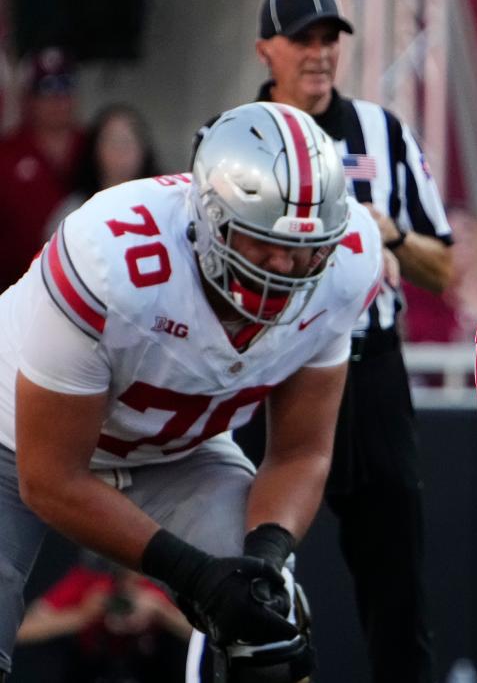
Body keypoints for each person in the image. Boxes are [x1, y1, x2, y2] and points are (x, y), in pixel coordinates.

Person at [0, 101, 383, 683]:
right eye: (262, 243)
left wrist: (263, 560)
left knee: (268, 632)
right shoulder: (110, 256)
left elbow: (301, 452)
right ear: (208, 220)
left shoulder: (347, 263)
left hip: (176, 452)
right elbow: (50, 478)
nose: (285, 266)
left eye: (304, 249)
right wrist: (198, 577)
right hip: (15, 437)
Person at [235, 0, 453, 682]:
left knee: (397, 580)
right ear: (266, 49)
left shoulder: (383, 132)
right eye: (303, 38)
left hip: (367, 367)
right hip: (269, 368)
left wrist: (387, 234)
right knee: (246, 568)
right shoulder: (233, 137)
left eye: (330, 39)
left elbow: (442, 266)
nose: (320, 53)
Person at [17, 554, 191, 682]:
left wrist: (160, 611)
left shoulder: (163, 587)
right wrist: (83, 615)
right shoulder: (89, 582)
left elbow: (204, 636)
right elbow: (21, 630)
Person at [0, 47, 86, 291]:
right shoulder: (6, 154)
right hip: (15, 293)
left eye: (66, 87)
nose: (58, 99)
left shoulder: (95, 147)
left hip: (86, 294)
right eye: (46, 89)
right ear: (28, 97)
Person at [46, 103, 161, 235]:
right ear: (95, 149)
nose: (121, 150)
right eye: (113, 141)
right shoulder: (74, 212)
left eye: (128, 140)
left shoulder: (162, 205)